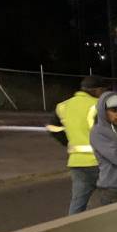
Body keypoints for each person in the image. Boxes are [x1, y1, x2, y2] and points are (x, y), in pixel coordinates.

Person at [46, 75, 107, 214]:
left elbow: (52, 128)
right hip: (101, 162)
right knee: (115, 197)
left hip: (76, 163)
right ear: (97, 90)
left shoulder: (63, 106)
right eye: (103, 90)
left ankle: (73, 229)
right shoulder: (99, 106)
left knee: (78, 203)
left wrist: (68, 142)